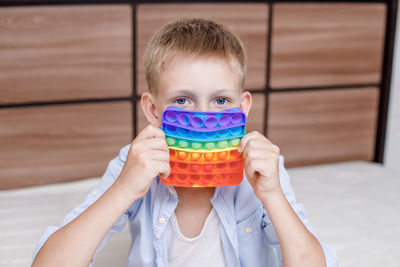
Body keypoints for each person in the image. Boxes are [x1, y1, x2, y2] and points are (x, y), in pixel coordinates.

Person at [31, 17, 338, 267]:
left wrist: (272, 196)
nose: (203, 117)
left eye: (220, 100)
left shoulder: (264, 171)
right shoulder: (135, 163)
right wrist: (124, 188)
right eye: (183, 100)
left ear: (242, 108)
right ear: (153, 110)